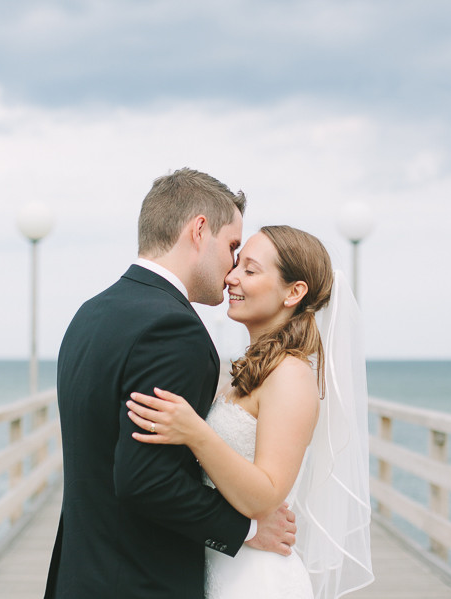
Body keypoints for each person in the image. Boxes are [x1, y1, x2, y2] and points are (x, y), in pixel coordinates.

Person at [44, 169, 297, 599]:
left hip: (78, 576)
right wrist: (247, 529)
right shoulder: (174, 330)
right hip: (141, 584)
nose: (232, 268)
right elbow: (147, 480)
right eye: (233, 246)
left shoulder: (90, 314)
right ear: (199, 230)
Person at [126, 225, 375, 599]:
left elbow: (267, 495)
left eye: (250, 270)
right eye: (236, 264)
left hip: (258, 581)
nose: (230, 278)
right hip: (224, 565)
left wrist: (194, 432)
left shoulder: (291, 374)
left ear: (294, 292)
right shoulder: (252, 370)